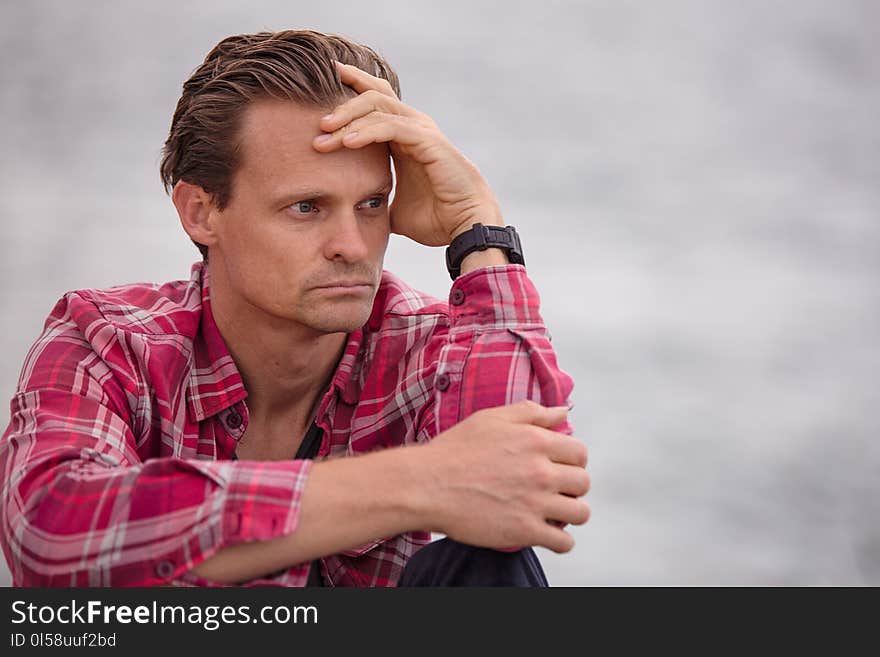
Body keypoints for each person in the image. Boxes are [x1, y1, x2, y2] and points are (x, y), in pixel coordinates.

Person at [0, 29, 590, 587]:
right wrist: (419, 482)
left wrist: (478, 231)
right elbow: (52, 536)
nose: (354, 246)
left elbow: (528, 487)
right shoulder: (106, 343)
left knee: (487, 561)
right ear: (200, 211)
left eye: (370, 204)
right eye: (307, 207)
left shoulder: (429, 343)